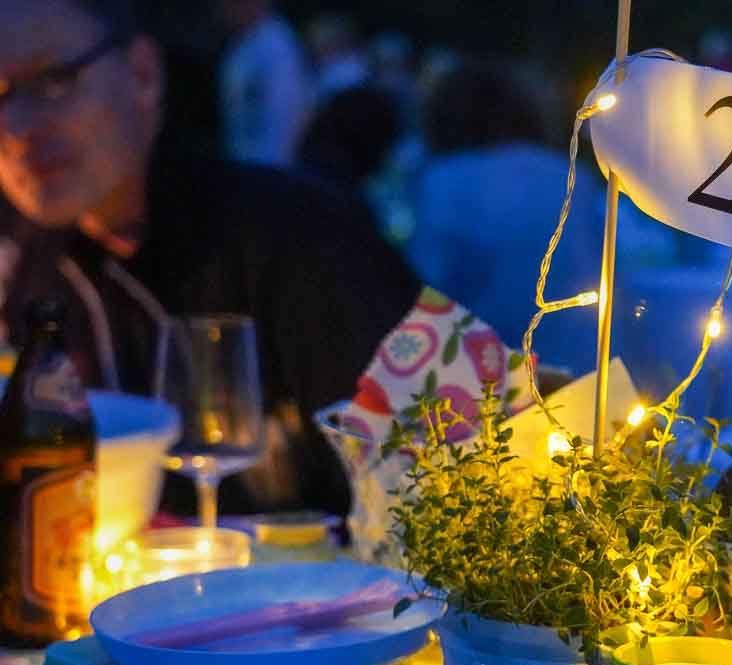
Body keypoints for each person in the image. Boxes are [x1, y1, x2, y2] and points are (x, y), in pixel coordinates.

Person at [0, 0, 421, 516]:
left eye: (52, 80)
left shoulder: (305, 237)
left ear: (143, 73)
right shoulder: (30, 270)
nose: (16, 126)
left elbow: (471, 483)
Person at [406, 59, 675, 374]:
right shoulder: (569, 175)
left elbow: (428, 290)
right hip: (590, 365)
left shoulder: (443, 182)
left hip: (494, 374)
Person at [216, 0, 310, 166]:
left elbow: (282, 121)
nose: (222, 9)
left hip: (266, 167)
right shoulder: (242, 43)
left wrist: (267, 172)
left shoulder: (277, 47)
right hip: (242, 163)